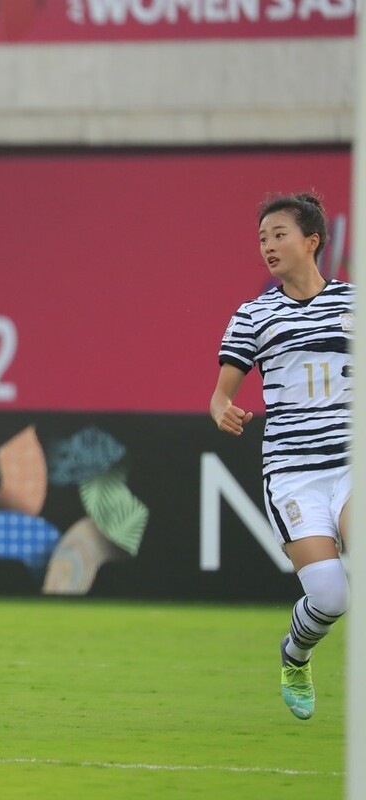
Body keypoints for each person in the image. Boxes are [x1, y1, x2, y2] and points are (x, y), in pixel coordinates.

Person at [210, 191, 351, 721]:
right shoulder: (253, 316)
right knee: (330, 597)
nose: (268, 246)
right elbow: (221, 394)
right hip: (293, 474)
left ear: (312, 241)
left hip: (349, 464)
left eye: (279, 235)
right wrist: (223, 410)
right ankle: (296, 655)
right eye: (262, 238)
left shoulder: (352, 303)